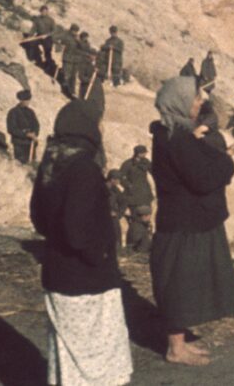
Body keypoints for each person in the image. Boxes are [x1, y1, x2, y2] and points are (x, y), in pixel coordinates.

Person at [150, 76, 234, 366]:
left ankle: (179, 343)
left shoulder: (173, 133)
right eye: (196, 99)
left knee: (184, 283)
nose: (200, 102)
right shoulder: (178, 138)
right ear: (180, 103)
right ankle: (175, 349)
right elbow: (204, 177)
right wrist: (227, 161)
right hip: (183, 224)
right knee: (179, 285)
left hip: (185, 221)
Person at [30, 100, 133, 385]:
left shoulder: (51, 162)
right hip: (88, 281)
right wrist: (98, 256)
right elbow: (78, 232)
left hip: (57, 275)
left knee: (70, 358)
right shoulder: (84, 168)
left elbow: (38, 219)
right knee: (98, 363)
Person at [119, 145, 154, 216]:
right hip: (133, 194)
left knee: (147, 214)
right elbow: (120, 177)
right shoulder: (127, 163)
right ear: (138, 154)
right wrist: (129, 186)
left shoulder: (146, 162)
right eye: (144, 153)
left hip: (145, 192)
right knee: (135, 214)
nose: (145, 154)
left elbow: (154, 171)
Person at [6, 90, 39, 164]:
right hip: (19, 144)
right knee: (21, 165)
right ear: (21, 100)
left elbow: (36, 125)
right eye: (25, 100)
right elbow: (11, 129)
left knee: (31, 165)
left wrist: (34, 133)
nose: (27, 102)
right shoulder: (13, 112)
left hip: (30, 143)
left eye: (28, 100)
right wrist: (25, 134)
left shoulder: (31, 112)